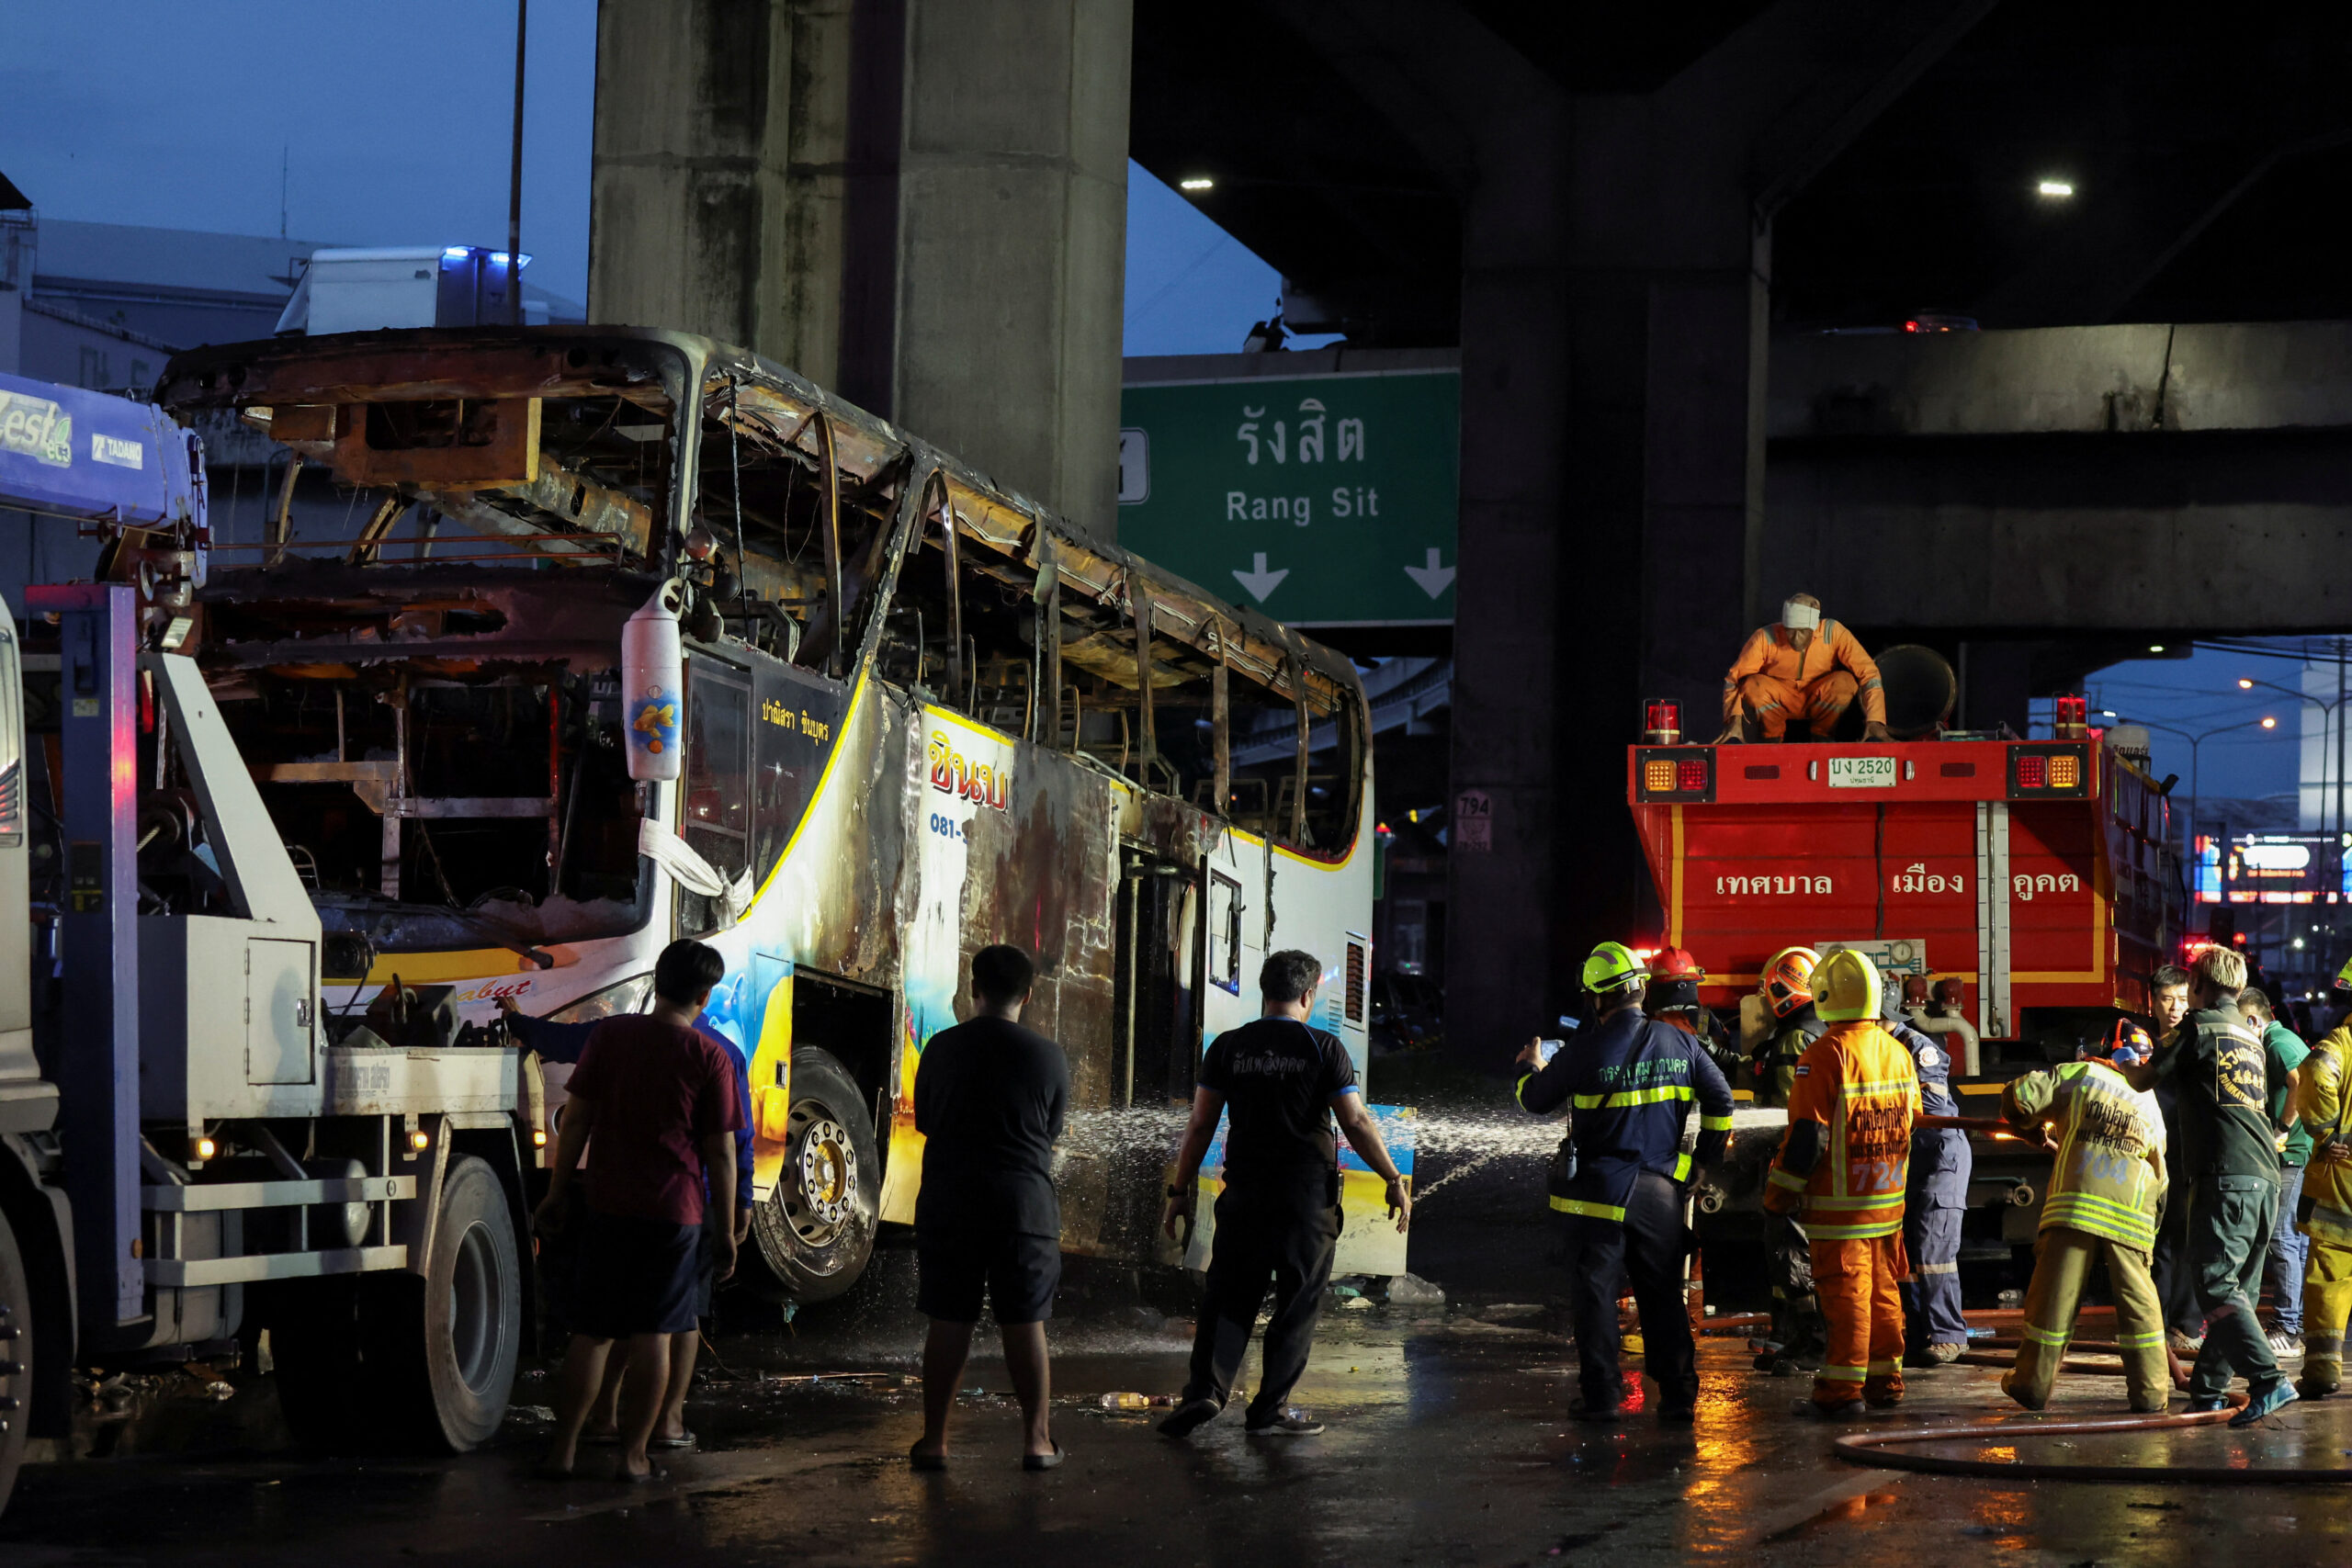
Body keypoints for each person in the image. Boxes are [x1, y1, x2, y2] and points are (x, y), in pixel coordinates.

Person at [1159, 950, 1410, 1439]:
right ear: (1308, 994)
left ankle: (1206, 1392)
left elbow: (1201, 1125)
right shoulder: (1324, 1047)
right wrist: (1392, 1179)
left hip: (1245, 1194)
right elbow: (1355, 1122)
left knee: (1229, 1294)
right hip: (1306, 1201)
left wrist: (1179, 1190)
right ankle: (1268, 1409)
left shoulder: (1229, 1048)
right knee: (1297, 1302)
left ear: (1263, 992)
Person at [502, 990, 754, 1453]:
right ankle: (660, 1431)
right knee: (669, 1326)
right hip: (684, 1209)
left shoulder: (613, 1035)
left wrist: (520, 1025)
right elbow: (731, 1145)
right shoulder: (719, 1053)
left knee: (597, 1328)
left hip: (610, 1201)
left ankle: (580, 1436)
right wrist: (736, 1210)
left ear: (658, 986)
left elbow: (569, 1085)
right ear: (705, 994)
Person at [1510, 942, 1735, 1420]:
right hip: (1660, 1198)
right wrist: (1703, 1163)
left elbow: (1534, 1100)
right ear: (1639, 991)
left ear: (1597, 999)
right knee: (1662, 1298)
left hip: (1599, 1200)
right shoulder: (1681, 1043)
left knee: (1596, 1299)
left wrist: (1529, 1066)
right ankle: (1677, 1398)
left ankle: (1603, 1398)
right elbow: (1722, 1101)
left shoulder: (1583, 1050)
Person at [908, 944, 1070, 1472]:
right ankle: (1037, 1442)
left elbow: (927, 1119)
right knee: (1025, 1322)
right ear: (1027, 994)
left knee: (949, 1320)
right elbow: (1050, 1133)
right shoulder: (1049, 1056)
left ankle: (934, 1441)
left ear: (973, 988)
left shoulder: (940, 1048)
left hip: (951, 1202)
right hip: (1022, 1209)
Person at [2122, 944, 2299, 1427]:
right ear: (2239, 989)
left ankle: (2267, 1381)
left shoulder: (2197, 1028)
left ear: (2197, 985)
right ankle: (2208, 1391)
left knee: (2216, 1284)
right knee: (2237, 1287)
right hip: (2265, 1178)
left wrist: (2121, 1062)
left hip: (2226, 1178)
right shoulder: (2249, 1032)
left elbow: (2145, 1080)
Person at [1763, 949, 1920, 1417]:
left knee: (1847, 1295)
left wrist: (1778, 1196)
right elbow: (1910, 1119)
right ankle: (1885, 1381)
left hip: (1840, 1209)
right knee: (1884, 1293)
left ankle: (1841, 1393)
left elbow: (1808, 1136)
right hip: (1887, 1203)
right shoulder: (1896, 1050)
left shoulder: (1824, 1054)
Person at [1996, 1019, 2170, 1413]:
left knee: (2052, 1304)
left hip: (2075, 1207)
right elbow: (2162, 1177)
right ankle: (2151, 1394)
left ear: (2106, 1050)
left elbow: (2020, 1098)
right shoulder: (2150, 1101)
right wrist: (2149, 1233)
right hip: (2131, 1217)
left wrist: (2031, 1128)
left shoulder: (2081, 1073)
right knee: (2140, 1307)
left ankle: (2031, 1386)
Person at [1882, 970, 1972, 1367]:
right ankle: (1920, 1335)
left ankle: (1950, 1336)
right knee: (1910, 1252)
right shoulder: (1883, 1048)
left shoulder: (1917, 1050)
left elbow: (1934, 1116)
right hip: (1911, 1160)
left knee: (1934, 1249)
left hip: (1940, 1159)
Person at [1752, 946, 1829, 1375]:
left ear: (1784, 989)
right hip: (1815, 1167)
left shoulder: (1798, 1036)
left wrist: (1784, 1174)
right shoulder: (1818, 1030)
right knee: (1793, 1255)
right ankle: (1793, 1338)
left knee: (1792, 1254)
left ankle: (1811, 1342)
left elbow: (1792, 1115)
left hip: (1796, 1166)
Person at [1715, 592, 1894, 743]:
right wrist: (1734, 720)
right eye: (1790, 630)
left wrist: (1876, 720)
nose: (1796, 638)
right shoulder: (1765, 637)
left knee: (1845, 682)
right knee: (1753, 684)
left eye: (1803, 631)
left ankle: (1822, 738)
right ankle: (1771, 740)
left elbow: (1869, 673)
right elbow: (1734, 679)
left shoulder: (1833, 632)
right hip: (1779, 698)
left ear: (1814, 627)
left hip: (1817, 696)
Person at [2242, 988, 2312, 1361]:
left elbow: (2300, 1082)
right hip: (2302, 1153)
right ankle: (2293, 1325)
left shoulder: (2278, 1042)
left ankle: (2286, 1328)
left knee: (2279, 1237)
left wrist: (2281, 1130)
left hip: (2293, 1153)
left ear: (2253, 1020)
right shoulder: (2286, 1039)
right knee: (2295, 1243)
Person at [2294, 969, 2352, 1401]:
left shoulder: (2340, 1045)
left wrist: (2328, 1135)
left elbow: (2314, 1075)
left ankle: (2323, 1371)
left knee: (2330, 1276)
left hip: (2343, 1185)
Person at [2141, 964, 2201, 1354]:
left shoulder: (2195, 1041)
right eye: (2168, 1000)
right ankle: (2156, 1325)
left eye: (2182, 999)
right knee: (2157, 1242)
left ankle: (2187, 1326)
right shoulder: (2147, 1047)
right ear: (2153, 1002)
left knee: (2187, 1241)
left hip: (2188, 1156)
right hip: (2152, 1159)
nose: (2176, 1007)